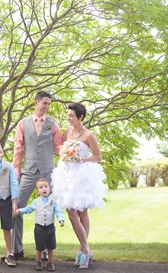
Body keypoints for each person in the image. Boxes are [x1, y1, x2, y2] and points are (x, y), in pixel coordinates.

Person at [51, 103, 106, 270]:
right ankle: (86, 249)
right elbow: (60, 148)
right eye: (68, 115)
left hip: (82, 175)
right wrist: (65, 153)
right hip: (67, 174)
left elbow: (98, 157)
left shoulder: (89, 135)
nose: (69, 118)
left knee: (82, 212)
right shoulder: (68, 131)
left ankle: (83, 251)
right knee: (71, 213)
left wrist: (82, 158)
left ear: (80, 117)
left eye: (71, 116)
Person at [12, 91, 63, 260]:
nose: (47, 106)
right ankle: (16, 249)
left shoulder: (52, 124)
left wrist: (71, 150)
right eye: (45, 103)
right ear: (36, 103)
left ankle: (48, 252)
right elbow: (18, 149)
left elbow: (58, 148)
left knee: (50, 207)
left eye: (49, 104)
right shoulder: (23, 123)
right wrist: (16, 171)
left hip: (48, 171)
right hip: (29, 172)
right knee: (17, 208)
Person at [14, 178, 65, 272]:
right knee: (39, 246)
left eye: (46, 186)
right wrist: (19, 210)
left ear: (49, 189)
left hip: (50, 227)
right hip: (39, 228)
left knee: (51, 246)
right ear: (37, 191)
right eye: (41, 187)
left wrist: (61, 219)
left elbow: (58, 210)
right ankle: (38, 262)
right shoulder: (36, 202)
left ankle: (50, 263)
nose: (44, 188)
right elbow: (28, 209)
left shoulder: (53, 201)